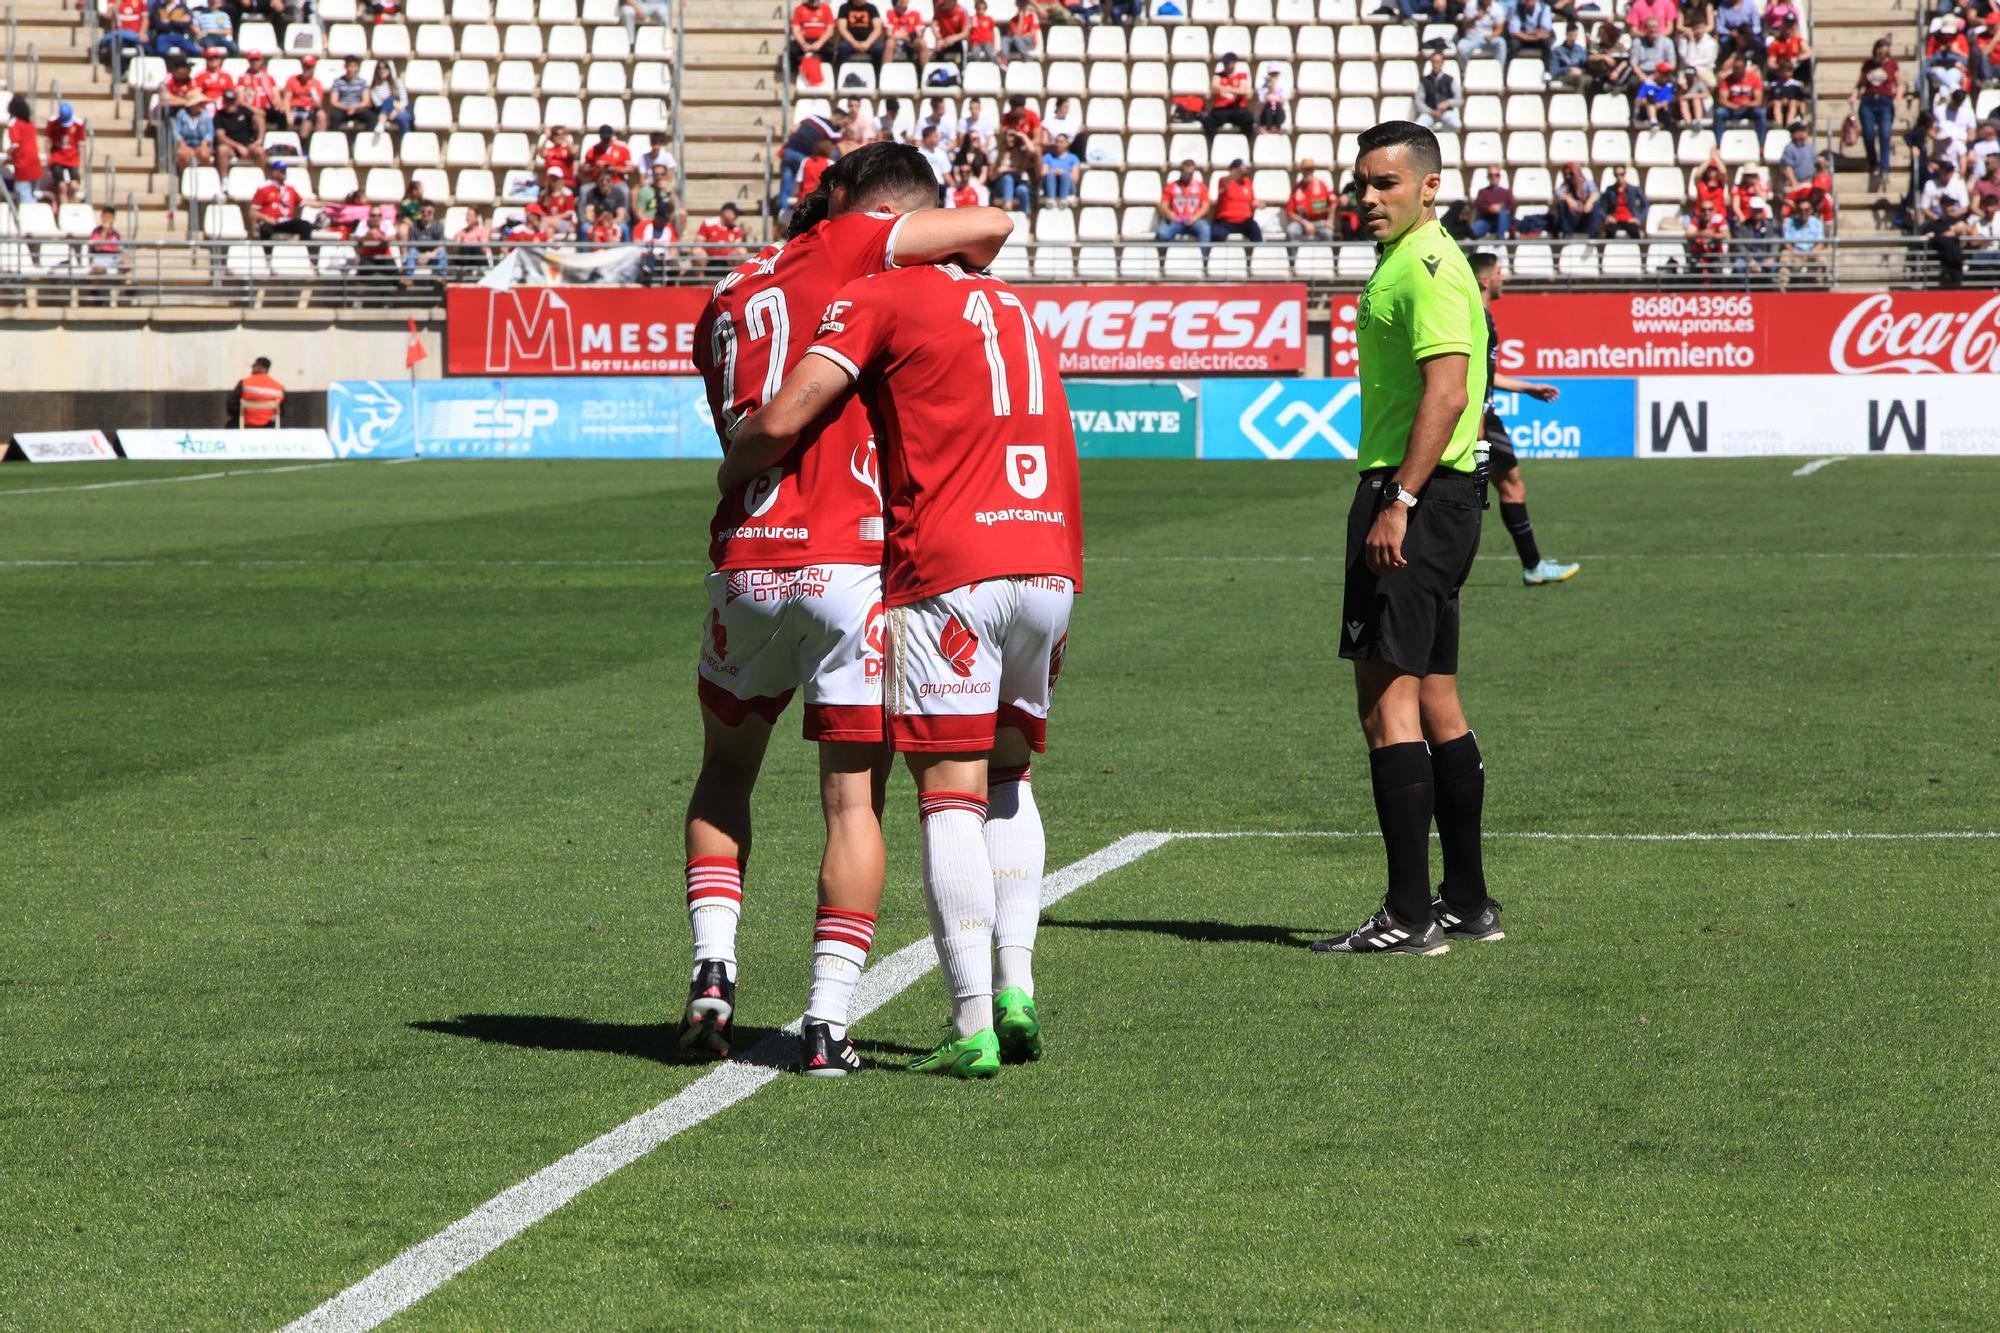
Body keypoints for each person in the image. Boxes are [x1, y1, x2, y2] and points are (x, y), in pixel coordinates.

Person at [719, 181, 1079, 1083]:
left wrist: (736, 462)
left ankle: (971, 1025)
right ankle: (1018, 983)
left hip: (951, 564)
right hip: (1052, 559)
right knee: (1011, 771)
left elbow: (791, 410)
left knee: (947, 794)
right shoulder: (1016, 309)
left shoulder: (877, 292)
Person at [1315, 119, 1499, 957]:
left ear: (1430, 185)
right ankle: (1465, 900)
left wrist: (1399, 501)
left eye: (1386, 183)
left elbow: (1448, 393)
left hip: (1414, 497)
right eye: (1363, 183)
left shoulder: (1426, 267)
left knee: (1386, 709)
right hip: (1444, 498)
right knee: (1436, 699)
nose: (1368, 197)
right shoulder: (1418, 261)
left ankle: (1408, 914)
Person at [1466, 252, 1579, 587]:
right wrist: (1478, 430)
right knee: (1488, 490)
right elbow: (1465, 375)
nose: (1505, 277)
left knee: (1508, 484)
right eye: (1501, 271)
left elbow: (1485, 373)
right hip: (1478, 416)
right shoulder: (1477, 318)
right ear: (1484, 280)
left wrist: (1526, 387)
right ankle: (1532, 566)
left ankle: (1533, 566)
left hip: (1483, 414)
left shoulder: (1482, 316)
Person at [1850, 37, 1901, 194]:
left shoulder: (1892, 65)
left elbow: (1898, 84)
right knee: (1869, 134)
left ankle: (1884, 167)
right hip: (1869, 101)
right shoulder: (1868, 65)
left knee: (1885, 134)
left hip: (1885, 101)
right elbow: (1860, 84)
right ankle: (1873, 163)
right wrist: (1854, 95)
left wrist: (1897, 98)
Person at [1155, 158, 1212, 249]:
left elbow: (1205, 206)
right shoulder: (1171, 186)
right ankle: (1169, 256)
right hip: (1176, 220)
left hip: (1194, 220)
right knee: (1162, 233)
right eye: (1186, 173)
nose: (1188, 176)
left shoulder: (1201, 187)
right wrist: (1171, 215)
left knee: (1205, 230)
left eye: (1191, 174)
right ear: (1181, 172)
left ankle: (1203, 259)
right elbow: (1163, 205)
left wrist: (1195, 218)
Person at [251, 161, 314, 241]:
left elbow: (304, 202)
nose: (284, 173)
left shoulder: (290, 189)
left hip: (287, 222)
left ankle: (305, 250)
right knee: (264, 229)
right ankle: (267, 252)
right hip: (272, 223)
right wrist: (266, 218)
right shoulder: (263, 189)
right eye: (281, 171)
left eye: (284, 170)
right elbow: (252, 212)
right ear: (274, 172)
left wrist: (324, 204)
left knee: (306, 225)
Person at [1712, 52, 1767, 143]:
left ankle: (1761, 144)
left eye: (1739, 68)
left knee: (1761, 113)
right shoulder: (1727, 80)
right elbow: (1722, 100)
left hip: (1748, 109)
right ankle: (1718, 143)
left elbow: (1758, 101)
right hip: (1732, 109)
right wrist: (1734, 106)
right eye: (1734, 68)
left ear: (1744, 67)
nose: (1736, 70)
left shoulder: (1755, 78)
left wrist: (1747, 104)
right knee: (1719, 113)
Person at [42, 103, 88, 207]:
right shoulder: (52, 122)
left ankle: (71, 207)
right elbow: (48, 141)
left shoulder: (78, 123)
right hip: (57, 157)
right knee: (62, 186)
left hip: (72, 158)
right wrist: (48, 161)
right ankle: (64, 208)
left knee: (74, 186)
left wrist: (81, 166)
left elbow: (81, 145)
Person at [1778, 191, 1825, 288]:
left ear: (1811, 210)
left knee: (1823, 258)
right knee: (1784, 256)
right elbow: (1786, 243)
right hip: (1795, 253)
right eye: (1801, 210)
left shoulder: (1817, 223)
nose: (1803, 212)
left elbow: (1820, 243)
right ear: (1797, 210)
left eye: (1806, 210)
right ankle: (1782, 291)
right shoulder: (1789, 222)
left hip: (1811, 253)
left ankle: (1822, 289)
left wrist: (1810, 253)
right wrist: (1796, 253)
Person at [1205, 52, 1255, 140]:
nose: (1226, 66)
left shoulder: (1241, 75)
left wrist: (1226, 88)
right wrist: (1233, 89)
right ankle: (1215, 143)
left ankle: (1244, 143)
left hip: (1238, 109)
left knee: (1248, 119)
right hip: (1221, 109)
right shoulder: (1218, 75)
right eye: (1225, 64)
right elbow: (1214, 87)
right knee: (1207, 120)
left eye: (1228, 63)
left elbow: (1243, 91)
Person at [212, 88, 263, 174]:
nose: (230, 104)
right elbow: (221, 137)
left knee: (260, 151)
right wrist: (238, 146)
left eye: (232, 101)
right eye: (228, 101)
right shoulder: (219, 116)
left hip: (248, 146)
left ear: (236, 101)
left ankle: (265, 179)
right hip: (231, 148)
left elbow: (260, 118)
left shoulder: (244, 110)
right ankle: (224, 181)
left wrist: (259, 139)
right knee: (222, 150)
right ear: (224, 102)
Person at [1211, 158, 1262, 242]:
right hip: (1226, 220)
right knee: (1217, 235)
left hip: (1244, 220)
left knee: (1255, 230)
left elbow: (1252, 200)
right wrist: (1235, 173)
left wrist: (1259, 204)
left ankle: (1260, 253)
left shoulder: (1248, 182)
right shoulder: (1224, 180)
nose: (1244, 171)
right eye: (1241, 168)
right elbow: (1223, 187)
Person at [1284, 158, 1336, 240]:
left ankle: (1326, 253)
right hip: (1302, 222)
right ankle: (1293, 253)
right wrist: (1305, 223)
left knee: (1328, 233)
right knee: (1291, 231)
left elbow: (1334, 202)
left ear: (1313, 170)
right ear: (1301, 171)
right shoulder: (1297, 189)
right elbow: (1289, 212)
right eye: (1305, 169)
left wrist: (1330, 220)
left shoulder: (1322, 185)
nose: (1308, 171)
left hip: (1320, 222)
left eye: (1310, 169)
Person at [325, 55, 375, 132]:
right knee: (334, 116)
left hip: (358, 108)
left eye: (354, 66)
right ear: (345, 67)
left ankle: (365, 140)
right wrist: (347, 107)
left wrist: (354, 107)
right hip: (342, 108)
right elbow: (333, 101)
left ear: (358, 68)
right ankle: (336, 140)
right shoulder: (338, 81)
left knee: (371, 117)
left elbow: (366, 101)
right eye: (349, 66)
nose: (351, 69)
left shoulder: (362, 82)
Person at [232, 357, 286, 427]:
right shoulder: (278, 387)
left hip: (245, 424)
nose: (252, 368)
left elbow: (231, 404)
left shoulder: (244, 383)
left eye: (254, 366)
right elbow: (281, 411)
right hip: (269, 425)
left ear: (259, 367)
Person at [1416, 51, 1461, 132]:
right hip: (1429, 113)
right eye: (1433, 62)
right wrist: (1430, 111)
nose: (1435, 64)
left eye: (1438, 62)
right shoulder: (1424, 81)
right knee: (1418, 128)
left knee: (1457, 125)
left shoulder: (1450, 79)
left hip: (1446, 112)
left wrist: (1448, 103)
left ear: (1442, 63)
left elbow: (1459, 100)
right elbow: (1419, 102)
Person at [788, 0, 837, 74]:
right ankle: (796, 71)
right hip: (805, 40)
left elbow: (830, 30)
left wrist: (819, 43)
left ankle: (825, 71)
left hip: (821, 40)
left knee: (830, 50)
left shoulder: (826, 8)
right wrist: (803, 44)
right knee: (792, 49)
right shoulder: (799, 9)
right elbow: (796, 30)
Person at [402, 200, 447, 280]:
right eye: (423, 211)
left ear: (434, 212)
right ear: (419, 212)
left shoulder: (439, 226)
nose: (425, 214)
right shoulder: (413, 226)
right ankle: (408, 278)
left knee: (442, 253)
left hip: (433, 256)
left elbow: (441, 245)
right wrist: (422, 256)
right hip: (417, 257)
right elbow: (412, 246)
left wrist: (431, 254)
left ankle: (441, 279)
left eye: (429, 212)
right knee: (412, 251)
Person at [281, 55, 325, 134]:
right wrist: (288, 114)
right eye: (305, 66)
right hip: (294, 109)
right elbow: (286, 100)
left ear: (313, 68)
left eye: (309, 67)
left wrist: (313, 93)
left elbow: (318, 104)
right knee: (282, 115)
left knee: (314, 117)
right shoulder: (293, 79)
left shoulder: (316, 83)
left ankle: (306, 141)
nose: (306, 69)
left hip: (309, 110)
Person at [836, 0, 884, 70]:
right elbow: (842, 29)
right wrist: (854, 43)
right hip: (849, 42)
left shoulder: (872, 8)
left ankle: (877, 75)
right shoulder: (844, 8)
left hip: (869, 42)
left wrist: (867, 43)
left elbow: (877, 29)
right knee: (843, 48)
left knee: (878, 49)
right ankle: (845, 74)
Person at [1469, 165, 1513, 238]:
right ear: (1488, 177)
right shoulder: (1483, 192)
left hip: (1502, 221)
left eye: (1496, 175)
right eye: (1491, 175)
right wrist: (1489, 208)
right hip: (1487, 221)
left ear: (1500, 177)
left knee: (1503, 213)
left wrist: (1500, 207)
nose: (1494, 177)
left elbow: (1511, 207)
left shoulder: (1506, 192)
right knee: (1476, 228)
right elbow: (1478, 205)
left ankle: (1500, 239)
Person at [1040, 133, 1080, 205]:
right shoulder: (1048, 157)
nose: (1058, 144)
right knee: (1050, 174)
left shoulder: (1073, 158)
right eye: (1057, 142)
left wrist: (1063, 172)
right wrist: (1054, 171)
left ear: (1067, 144)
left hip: (1067, 187)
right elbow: (1043, 173)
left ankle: (1063, 200)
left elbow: (1075, 178)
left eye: (1061, 142)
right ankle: (1050, 199)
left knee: (1064, 175)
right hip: (1051, 185)